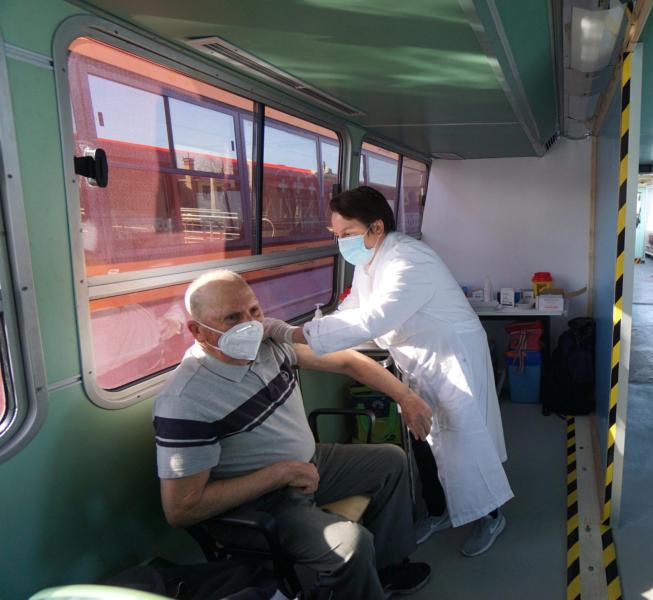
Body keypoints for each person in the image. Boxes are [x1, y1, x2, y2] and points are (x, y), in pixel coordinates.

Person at [152, 269, 433, 600]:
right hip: (261, 501)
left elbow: (347, 362)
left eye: (254, 311)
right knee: (351, 547)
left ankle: (385, 571)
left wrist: (406, 397)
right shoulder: (185, 401)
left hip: (309, 464)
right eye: (232, 317)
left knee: (391, 460)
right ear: (198, 331)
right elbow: (181, 509)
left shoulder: (268, 347)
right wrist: (281, 473)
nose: (250, 325)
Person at [266, 186, 513, 557]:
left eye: (347, 234)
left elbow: (374, 317)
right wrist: (312, 332)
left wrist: (295, 334)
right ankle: (438, 510)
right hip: (418, 360)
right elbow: (352, 308)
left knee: (464, 441)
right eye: (336, 236)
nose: (341, 243)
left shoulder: (408, 260)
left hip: (450, 358)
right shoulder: (370, 261)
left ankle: (491, 516)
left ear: (376, 227)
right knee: (422, 439)